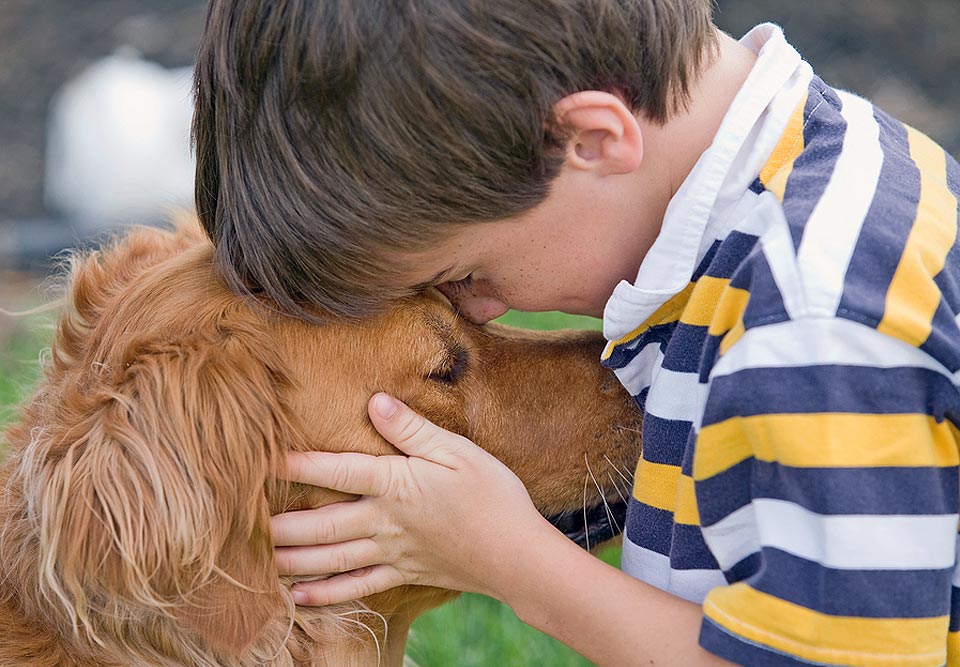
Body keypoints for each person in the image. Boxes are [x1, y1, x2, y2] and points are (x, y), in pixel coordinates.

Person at [192, 1, 960, 664]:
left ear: (589, 140)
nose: (485, 308)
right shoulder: (826, 178)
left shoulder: (812, 322)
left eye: (467, 274)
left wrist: (514, 561)